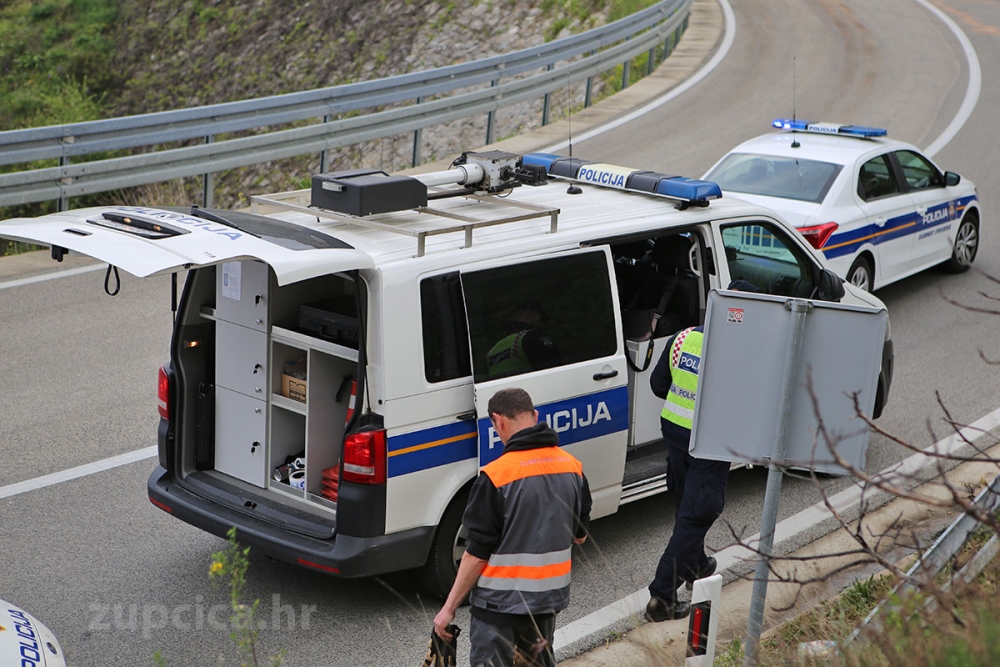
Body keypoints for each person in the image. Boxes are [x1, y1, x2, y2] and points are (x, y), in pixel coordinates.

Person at [433, 388, 592, 667]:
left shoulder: (496, 476)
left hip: (498, 609)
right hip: (546, 606)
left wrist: (448, 609)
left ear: (499, 420)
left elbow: (476, 554)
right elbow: (580, 537)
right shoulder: (573, 468)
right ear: (535, 416)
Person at [644, 280, 760, 622]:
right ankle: (661, 598)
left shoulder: (684, 337)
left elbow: (658, 385)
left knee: (687, 508)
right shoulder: (745, 353)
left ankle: (696, 565)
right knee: (696, 515)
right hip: (710, 442)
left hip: (675, 434)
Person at [486, 303, 561, 379]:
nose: (540, 322)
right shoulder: (532, 338)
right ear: (528, 314)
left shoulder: (493, 350)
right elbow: (554, 370)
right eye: (540, 317)